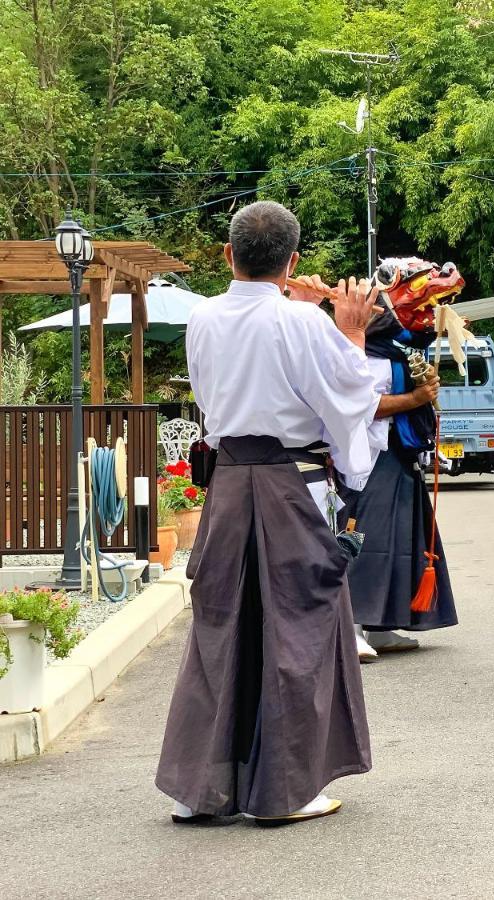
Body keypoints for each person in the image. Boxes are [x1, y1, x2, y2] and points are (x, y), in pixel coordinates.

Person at [156, 200, 380, 826]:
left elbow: (206, 399)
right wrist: (353, 333)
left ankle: (197, 789)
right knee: (299, 628)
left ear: (228, 255)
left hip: (228, 483)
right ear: (293, 263)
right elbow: (350, 399)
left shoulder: (201, 318)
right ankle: (288, 788)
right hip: (292, 484)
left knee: (218, 625)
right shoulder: (302, 322)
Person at [343, 291, 458, 661]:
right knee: (366, 539)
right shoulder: (364, 353)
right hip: (370, 457)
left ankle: (381, 625)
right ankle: (354, 625)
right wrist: (416, 398)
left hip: (400, 453)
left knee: (402, 539)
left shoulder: (400, 351)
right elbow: (365, 407)